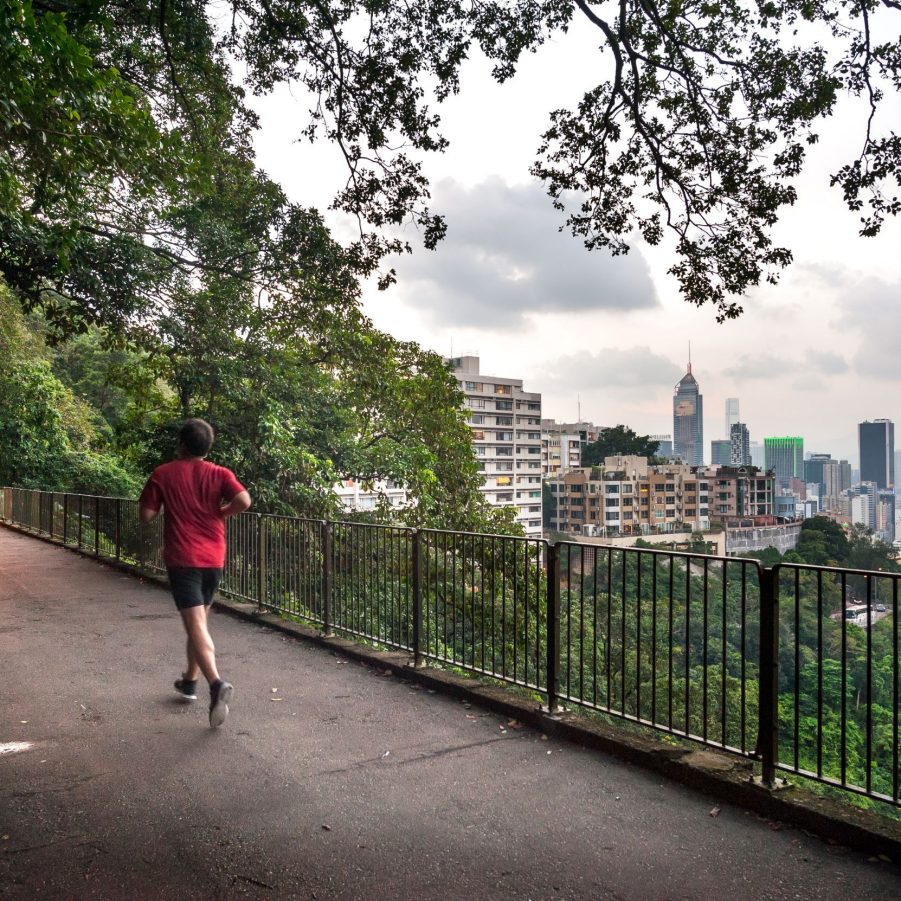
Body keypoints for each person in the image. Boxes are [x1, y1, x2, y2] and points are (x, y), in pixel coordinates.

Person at [139, 419, 251, 727]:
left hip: (183, 558)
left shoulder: (163, 473)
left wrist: (165, 504)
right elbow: (244, 500)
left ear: (182, 443)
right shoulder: (219, 473)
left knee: (196, 624)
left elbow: (146, 516)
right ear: (207, 446)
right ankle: (190, 680)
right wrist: (222, 513)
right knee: (197, 622)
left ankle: (216, 684)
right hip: (214, 557)